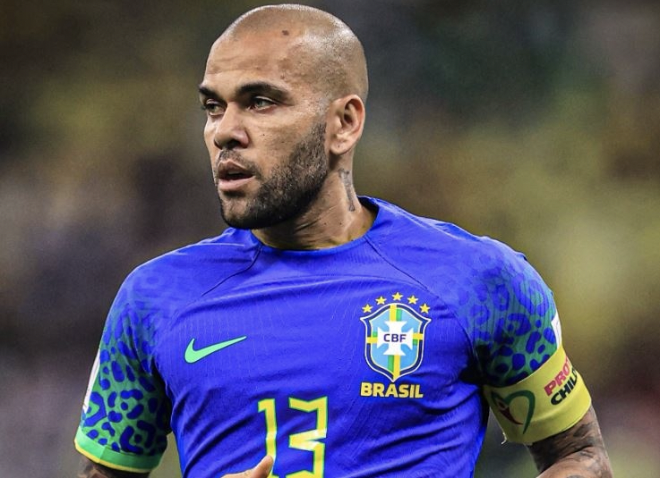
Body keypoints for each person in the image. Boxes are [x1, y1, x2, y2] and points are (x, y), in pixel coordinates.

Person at [74, 4, 612, 478]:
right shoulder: (153, 299)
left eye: (260, 102)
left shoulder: (480, 281)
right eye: (214, 107)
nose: (224, 131)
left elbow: (580, 455)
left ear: (344, 124)